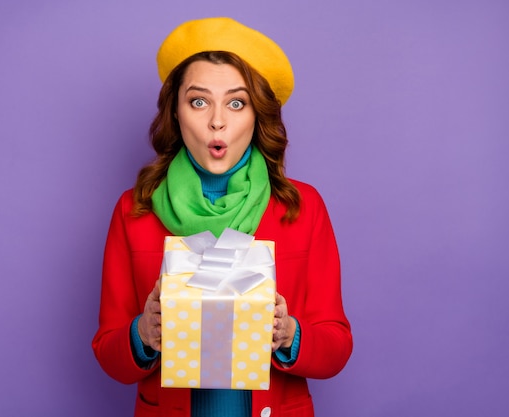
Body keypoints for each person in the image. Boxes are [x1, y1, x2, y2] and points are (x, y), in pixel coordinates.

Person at [92, 17, 352, 417]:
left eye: (236, 102)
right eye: (198, 101)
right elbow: (109, 352)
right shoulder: (134, 210)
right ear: (175, 113)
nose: (218, 120)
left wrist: (289, 334)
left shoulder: (303, 207)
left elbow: (336, 346)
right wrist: (143, 333)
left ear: (256, 115)